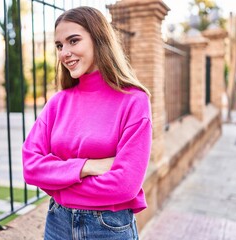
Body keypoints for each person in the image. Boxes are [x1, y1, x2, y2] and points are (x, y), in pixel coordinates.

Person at [22, 6, 152, 240]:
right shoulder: (58, 103)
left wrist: (59, 183)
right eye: (60, 45)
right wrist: (88, 167)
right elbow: (31, 167)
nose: (64, 53)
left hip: (108, 228)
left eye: (73, 41)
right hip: (57, 224)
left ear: (99, 39)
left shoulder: (134, 101)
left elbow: (125, 185)